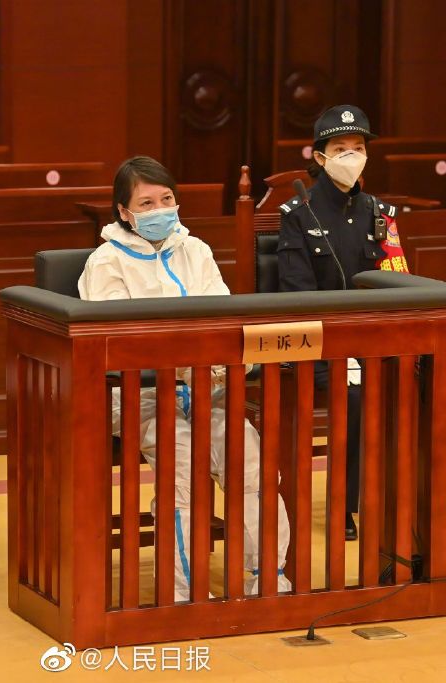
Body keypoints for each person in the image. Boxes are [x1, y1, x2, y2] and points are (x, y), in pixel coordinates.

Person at [79, 156, 290, 602]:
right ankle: (182, 594)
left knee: (252, 460)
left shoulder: (196, 250)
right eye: (146, 203)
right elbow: (119, 342)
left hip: (210, 391)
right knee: (184, 468)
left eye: (166, 199)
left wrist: (221, 364)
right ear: (124, 212)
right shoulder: (106, 262)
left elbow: (223, 318)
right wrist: (182, 364)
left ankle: (268, 579)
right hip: (142, 395)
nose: (160, 210)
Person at [276, 104, 409, 540]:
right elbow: (297, 294)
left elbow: (397, 281)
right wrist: (339, 348)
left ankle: (396, 497)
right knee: (355, 396)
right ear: (320, 157)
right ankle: (345, 503)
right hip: (319, 343)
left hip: (370, 339)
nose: (351, 156)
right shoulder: (298, 214)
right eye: (340, 148)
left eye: (358, 147)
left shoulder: (380, 213)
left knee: (414, 380)